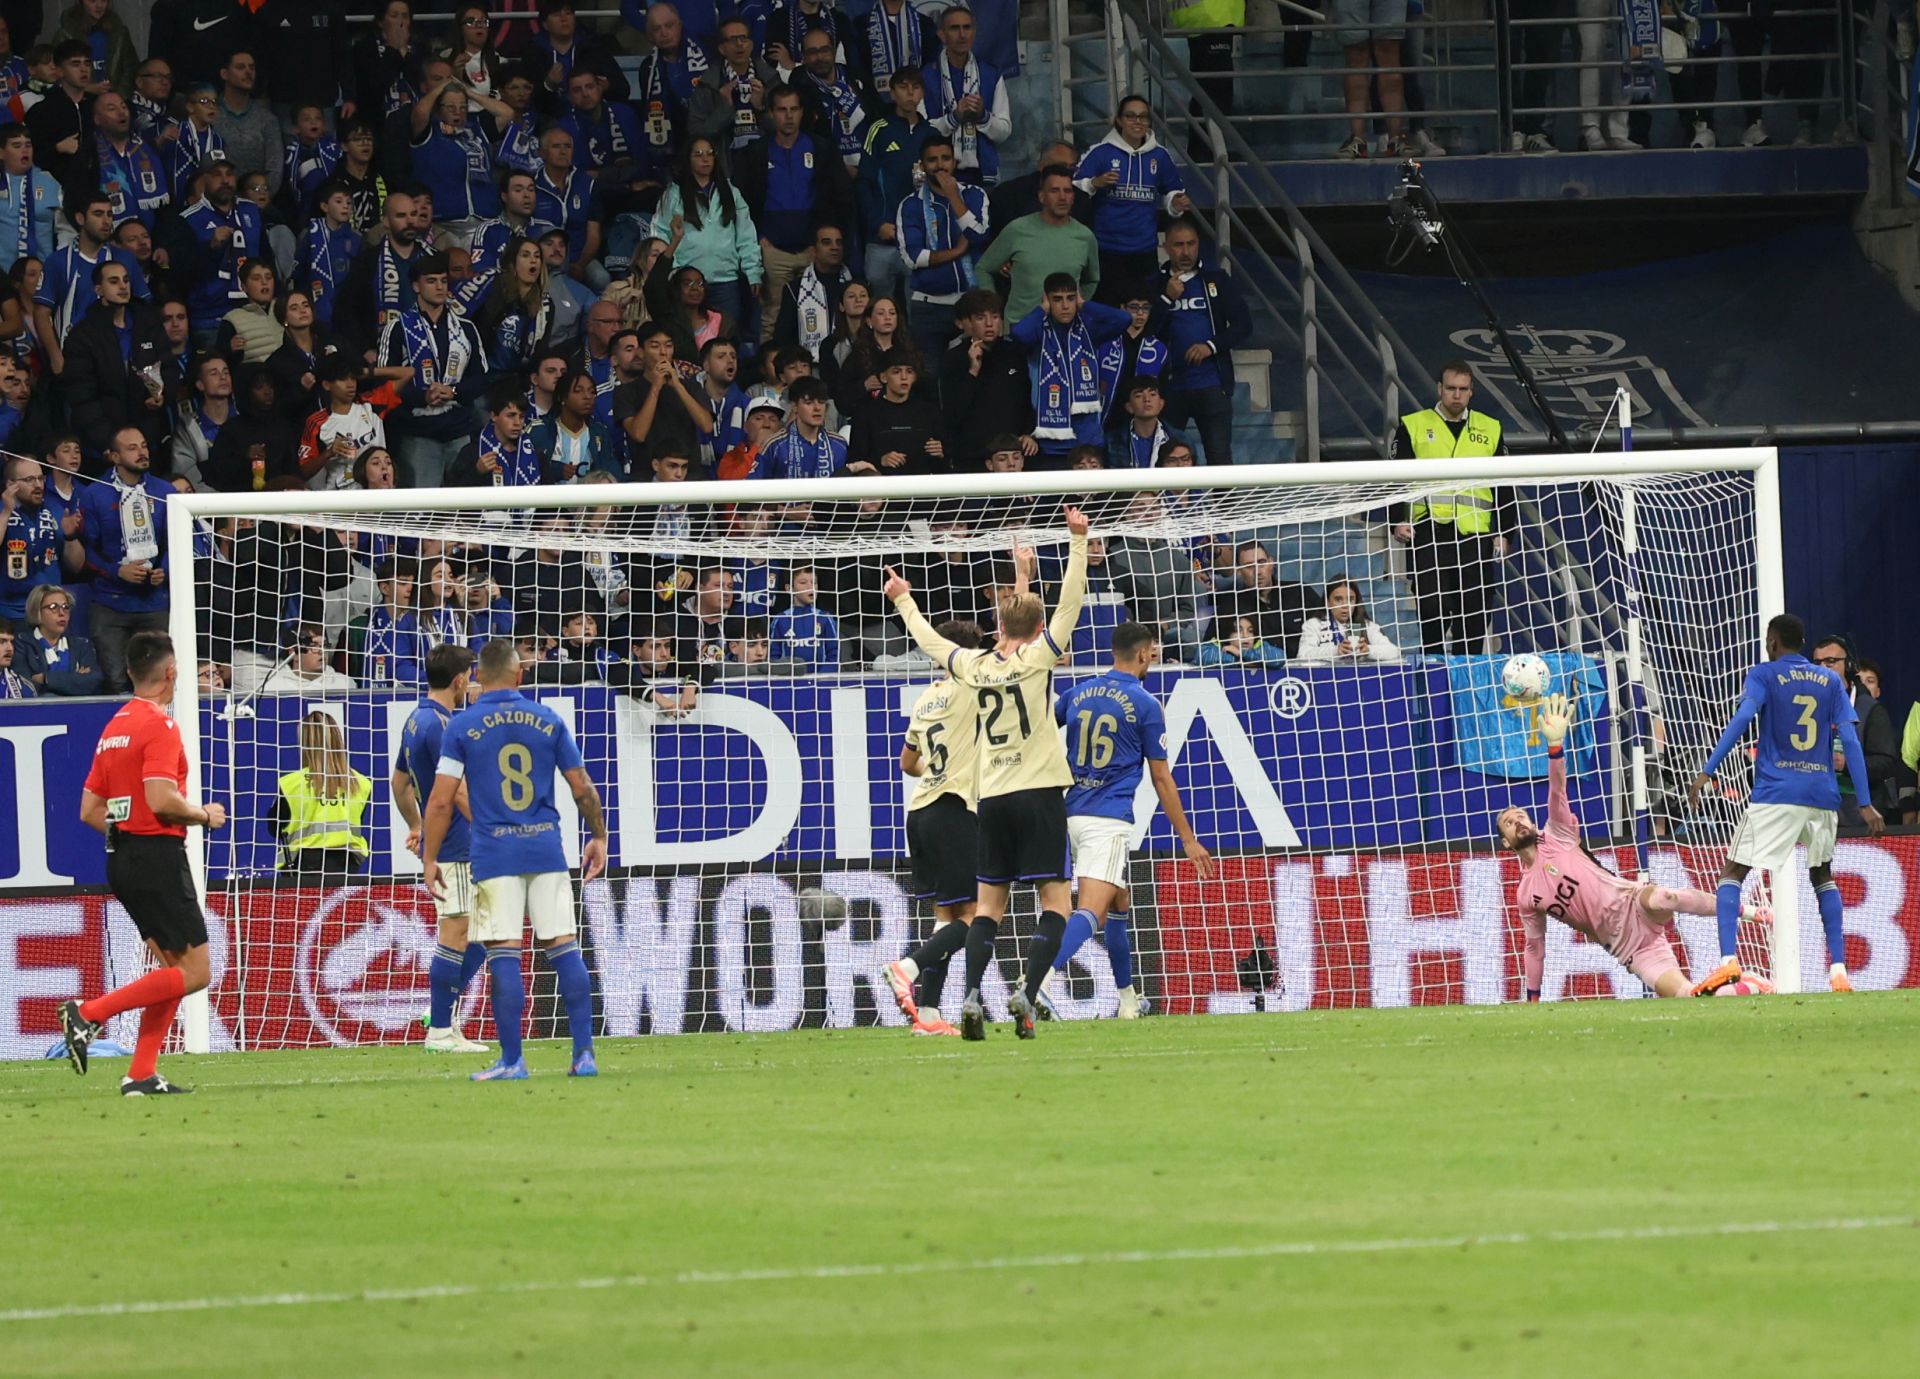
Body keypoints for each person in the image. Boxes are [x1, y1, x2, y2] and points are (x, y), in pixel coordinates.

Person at [882, 504, 1090, 1041]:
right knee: (1056, 900)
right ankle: (1026, 988)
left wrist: (904, 599)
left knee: (987, 907)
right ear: (1039, 629)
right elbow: (1069, 604)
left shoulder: (972, 668)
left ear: (998, 626)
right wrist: (1077, 542)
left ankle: (970, 995)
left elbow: (932, 643)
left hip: (990, 797)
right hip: (1039, 790)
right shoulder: (1042, 657)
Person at [422, 637, 608, 1080]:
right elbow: (581, 786)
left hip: (494, 854)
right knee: (564, 947)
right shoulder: (548, 720)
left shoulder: (462, 726)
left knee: (505, 951)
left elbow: (442, 801)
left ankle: (512, 1061)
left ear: (478, 677)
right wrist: (599, 835)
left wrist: (430, 858)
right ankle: (584, 1055)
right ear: (520, 674)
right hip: (546, 848)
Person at [1501, 693, 1770, 999]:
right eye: (1510, 823)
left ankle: (1749, 911)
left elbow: (1557, 788)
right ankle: (1749, 985)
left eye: (1521, 816)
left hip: (1631, 902)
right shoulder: (1526, 894)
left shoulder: (1558, 833)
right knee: (1688, 997)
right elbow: (1534, 945)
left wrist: (1554, 748)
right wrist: (1533, 997)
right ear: (1506, 841)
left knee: (1665, 897)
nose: (1519, 822)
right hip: (1624, 944)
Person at [59, 631, 226, 1095]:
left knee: (173, 971)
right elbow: (161, 798)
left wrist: (126, 830)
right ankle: (88, 1014)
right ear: (171, 673)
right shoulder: (160, 725)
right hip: (156, 857)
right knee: (197, 973)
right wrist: (203, 816)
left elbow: (90, 810)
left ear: (131, 672)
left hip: (123, 859)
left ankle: (141, 1073)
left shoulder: (115, 727)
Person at [1689, 613, 1885, 997]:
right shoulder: (1829, 680)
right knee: (1822, 875)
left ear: (1774, 641)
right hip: (1822, 795)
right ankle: (1839, 972)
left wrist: (1708, 770)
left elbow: (1744, 717)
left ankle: (1728, 961)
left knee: (1733, 872)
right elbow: (1852, 740)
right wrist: (1864, 802)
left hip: (1777, 792)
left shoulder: (1764, 674)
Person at [1030, 621, 1214, 1020]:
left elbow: (1041, 730)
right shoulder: (1147, 705)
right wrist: (1187, 838)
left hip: (1068, 811)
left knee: (1119, 899)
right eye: (1154, 652)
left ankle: (1129, 1002)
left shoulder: (1079, 691)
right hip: (1107, 819)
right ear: (1145, 653)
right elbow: (1161, 776)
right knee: (1091, 912)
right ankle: (1036, 984)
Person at [881, 616, 985, 1037]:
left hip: (921, 811)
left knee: (946, 916)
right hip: (955, 808)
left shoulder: (927, 697)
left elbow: (907, 762)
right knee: (979, 914)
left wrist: (935, 773)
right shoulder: (973, 686)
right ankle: (906, 968)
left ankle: (926, 1015)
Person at [387, 641, 493, 1053]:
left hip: (447, 841)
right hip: (460, 845)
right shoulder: (443, 727)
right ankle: (441, 1032)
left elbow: (399, 784)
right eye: (471, 673)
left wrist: (418, 826)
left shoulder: (417, 720)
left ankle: (440, 1012)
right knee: (457, 933)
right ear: (460, 679)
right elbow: (460, 793)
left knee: (486, 933)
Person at [1389, 360, 1515, 653]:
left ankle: (1465, 680)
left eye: (1463, 389)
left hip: (1475, 535)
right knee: (1433, 606)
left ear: (1472, 392)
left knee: (1475, 613)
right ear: (1439, 389)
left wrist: (1505, 532)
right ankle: (1433, 671)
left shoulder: (1491, 428)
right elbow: (1395, 479)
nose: (1456, 395)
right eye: (1451, 389)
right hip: (1429, 531)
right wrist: (1396, 519)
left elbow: (1504, 485)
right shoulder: (1414, 425)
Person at [733, 84, 852, 344]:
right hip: (773, 250)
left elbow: (838, 197)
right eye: (782, 110)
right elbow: (744, 202)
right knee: (772, 318)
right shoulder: (755, 152)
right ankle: (772, 375)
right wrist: (760, 240)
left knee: (821, 314)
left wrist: (820, 242)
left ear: (802, 112)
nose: (788, 116)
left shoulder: (821, 148)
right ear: (771, 113)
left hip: (813, 250)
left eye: (794, 109)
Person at [378, 252, 490, 486]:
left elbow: (481, 379)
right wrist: (423, 396)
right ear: (416, 286)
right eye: (431, 281)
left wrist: (454, 392)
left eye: (443, 280)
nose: (439, 287)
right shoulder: (397, 328)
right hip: (417, 432)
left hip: (459, 428)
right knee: (421, 510)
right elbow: (385, 383)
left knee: (462, 507)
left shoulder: (466, 328)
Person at [80, 425, 171, 691]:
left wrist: (164, 570)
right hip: (110, 604)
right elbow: (87, 550)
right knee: (115, 681)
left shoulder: (165, 492)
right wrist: (115, 571)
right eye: (132, 448)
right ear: (114, 456)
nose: (142, 452)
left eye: (143, 445)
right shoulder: (94, 494)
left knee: (159, 682)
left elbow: (176, 542)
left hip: (154, 602)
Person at [1012, 272, 1132, 467]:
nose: (1066, 306)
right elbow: (1019, 335)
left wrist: (1085, 304)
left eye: (1071, 298)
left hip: (1088, 439)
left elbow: (1124, 319)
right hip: (1050, 440)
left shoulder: (1089, 329)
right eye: (1057, 300)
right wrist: (1042, 309)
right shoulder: (1039, 331)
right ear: (1047, 300)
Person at [1076, 96, 1190, 299]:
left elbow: (1172, 189)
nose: (1138, 122)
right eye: (1131, 116)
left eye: (1143, 117)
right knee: (1108, 308)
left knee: (1144, 307)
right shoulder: (1101, 152)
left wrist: (1175, 201)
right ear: (1119, 120)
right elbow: (1074, 185)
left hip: (1144, 248)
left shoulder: (1160, 155)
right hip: (1106, 249)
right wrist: (1095, 183)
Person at [1157, 217, 1248, 468]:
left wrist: (1211, 346)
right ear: (1166, 246)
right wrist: (1166, 298)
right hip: (1171, 387)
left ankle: (1225, 509)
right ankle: (1172, 509)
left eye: (1191, 244)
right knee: (1167, 459)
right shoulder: (1155, 282)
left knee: (1219, 458)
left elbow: (1244, 325)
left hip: (1212, 384)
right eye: (1178, 245)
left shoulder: (1216, 279)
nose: (1185, 251)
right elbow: (1146, 331)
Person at [650, 135, 760, 329]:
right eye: (698, 154)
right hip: (687, 281)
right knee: (690, 341)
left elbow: (746, 236)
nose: (705, 159)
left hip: (726, 280)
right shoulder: (673, 194)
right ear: (688, 159)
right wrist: (673, 271)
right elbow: (659, 235)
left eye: (710, 154)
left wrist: (753, 272)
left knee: (726, 339)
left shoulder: (731, 192)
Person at [898, 133, 986, 361]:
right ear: (922, 165)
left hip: (971, 303)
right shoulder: (911, 204)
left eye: (946, 158)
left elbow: (979, 237)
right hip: (929, 307)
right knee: (929, 377)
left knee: (975, 373)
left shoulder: (975, 195)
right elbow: (913, 257)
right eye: (932, 160)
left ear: (954, 162)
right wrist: (957, 251)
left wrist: (954, 197)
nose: (940, 165)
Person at [975, 162, 1098, 326]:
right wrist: (993, 310)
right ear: (1041, 196)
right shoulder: (1017, 229)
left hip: (1064, 333)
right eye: (1054, 191)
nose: (1062, 197)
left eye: (1067, 191)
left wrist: (1075, 306)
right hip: (1019, 331)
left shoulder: (1085, 236)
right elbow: (983, 269)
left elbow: (1092, 280)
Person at [939, 287, 1032, 470]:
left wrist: (1028, 433)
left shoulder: (1013, 353)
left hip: (1010, 457)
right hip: (971, 457)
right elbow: (952, 413)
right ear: (968, 323)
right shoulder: (954, 358)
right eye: (981, 318)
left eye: (995, 316)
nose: (989, 324)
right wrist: (973, 371)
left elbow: (1025, 402)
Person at [1810, 635, 1899, 824]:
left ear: (1849, 665)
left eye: (1831, 661)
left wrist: (1846, 764)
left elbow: (1887, 763)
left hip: (1857, 818)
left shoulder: (1869, 709)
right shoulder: (1806, 706)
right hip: (1815, 811)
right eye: (1818, 662)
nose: (1823, 667)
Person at [273, 709, 372, 878]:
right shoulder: (361, 783)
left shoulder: (291, 784)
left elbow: (274, 826)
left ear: (305, 743)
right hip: (347, 866)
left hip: (304, 868)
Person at [921, 6, 1009, 187]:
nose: (962, 35)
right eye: (954, 28)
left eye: (967, 28)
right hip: (939, 175)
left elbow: (1004, 131)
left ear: (974, 32)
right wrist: (954, 118)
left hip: (982, 176)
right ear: (942, 34)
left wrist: (982, 116)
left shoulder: (990, 75)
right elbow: (920, 133)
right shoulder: (926, 76)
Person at [177, 158, 263, 340]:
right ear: (203, 180)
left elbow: (266, 256)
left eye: (229, 174)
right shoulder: (188, 219)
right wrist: (211, 247)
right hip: (211, 317)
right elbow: (184, 272)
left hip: (253, 312)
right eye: (217, 174)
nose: (225, 180)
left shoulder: (251, 210)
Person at [1, 452, 79, 628]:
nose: (38, 485)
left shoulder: (55, 509)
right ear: (11, 484)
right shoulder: (1, 510)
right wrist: (6, 512)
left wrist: (70, 536)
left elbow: (76, 566)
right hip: (10, 613)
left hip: (50, 613)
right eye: (29, 480)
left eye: (40, 478)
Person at [846, 347, 944, 475]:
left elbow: (945, 460)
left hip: (922, 488)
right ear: (883, 377)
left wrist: (941, 452)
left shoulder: (929, 412)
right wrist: (879, 461)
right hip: (882, 489)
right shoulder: (865, 414)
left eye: (909, 371)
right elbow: (854, 461)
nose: (904, 377)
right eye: (896, 372)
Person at [769, 221, 850, 361]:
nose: (835, 247)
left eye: (839, 242)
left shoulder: (854, 287)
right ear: (813, 250)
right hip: (808, 368)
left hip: (849, 368)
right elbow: (782, 338)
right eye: (827, 242)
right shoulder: (795, 289)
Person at [212, 50, 281, 196]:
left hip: (257, 202)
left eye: (252, 67)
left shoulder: (267, 119)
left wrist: (260, 196)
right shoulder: (210, 114)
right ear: (224, 74)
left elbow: (275, 169)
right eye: (240, 67)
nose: (248, 72)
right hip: (217, 198)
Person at [754, 375, 846, 478]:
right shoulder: (775, 445)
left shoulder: (839, 444)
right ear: (794, 407)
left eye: (821, 402)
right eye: (809, 402)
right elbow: (754, 486)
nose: (817, 408)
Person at [16, 582, 100, 693]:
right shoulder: (21, 644)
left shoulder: (82, 645)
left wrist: (46, 678)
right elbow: (24, 686)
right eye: (53, 607)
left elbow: (92, 683)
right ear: (37, 611)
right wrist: (73, 679)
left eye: (65, 607)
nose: (62, 613)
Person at [0, 125, 61, 275]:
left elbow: (65, 231)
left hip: (44, 274)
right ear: (1, 153)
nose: (25, 150)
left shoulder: (50, 183)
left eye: (28, 145)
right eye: (16, 145)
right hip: (3, 279)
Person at [1294, 579, 1403, 663]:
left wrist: (1368, 650)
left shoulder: (1367, 626)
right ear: (1327, 602)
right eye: (1338, 599)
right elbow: (1302, 654)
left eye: (1350, 599)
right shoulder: (1314, 625)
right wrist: (1336, 651)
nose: (1345, 605)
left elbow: (1393, 651)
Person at [768, 566, 840, 670]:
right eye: (803, 583)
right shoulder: (780, 619)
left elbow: (834, 653)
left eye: (814, 582)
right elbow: (774, 655)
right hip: (790, 682)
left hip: (819, 682)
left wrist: (822, 679)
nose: (810, 587)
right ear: (789, 589)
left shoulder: (825, 618)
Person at [261, 623, 357, 692]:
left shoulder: (345, 684)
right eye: (314, 645)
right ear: (293, 653)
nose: (321, 651)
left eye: (324, 645)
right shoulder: (273, 688)